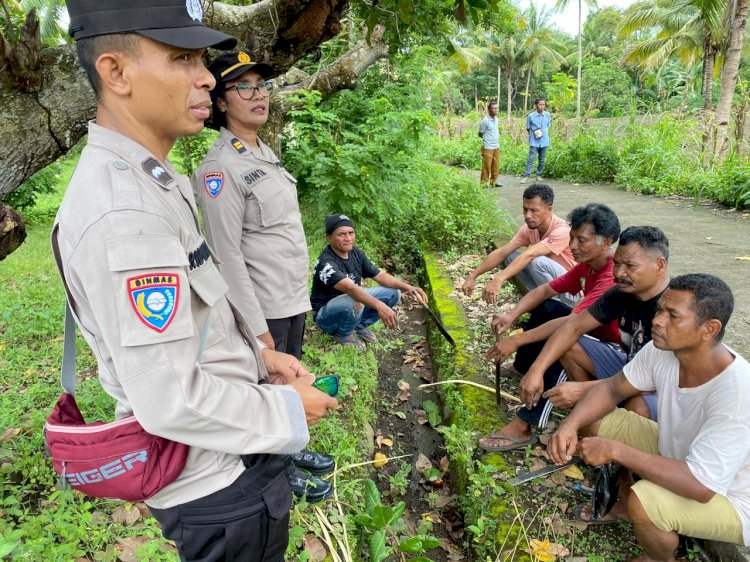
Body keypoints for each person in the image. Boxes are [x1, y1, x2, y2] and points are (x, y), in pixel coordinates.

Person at [55, 2, 337, 559]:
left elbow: (197, 323)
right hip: (216, 479)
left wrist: (262, 360)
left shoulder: (153, 178)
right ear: (116, 72)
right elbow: (169, 398)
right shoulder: (124, 212)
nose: (206, 76)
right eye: (182, 58)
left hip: (228, 447)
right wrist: (287, 410)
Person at [192, 52, 334, 502]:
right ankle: (272, 471)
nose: (260, 95)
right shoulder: (219, 170)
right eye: (245, 88)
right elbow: (225, 256)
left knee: (291, 387)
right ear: (219, 103)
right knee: (265, 391)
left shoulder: (265, 155)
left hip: (289, 299)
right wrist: (253, 328)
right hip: (262, 310)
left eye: (263, 86)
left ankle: (289, 453)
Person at [549, 274, 750, 561]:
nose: (657, 321)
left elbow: (702, 486)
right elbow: (611, 387)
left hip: (731, 496)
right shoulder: (662, 350)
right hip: (679, 454)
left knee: (645, 501)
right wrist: (569, 425)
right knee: (593, 420)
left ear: (709, 329)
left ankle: (659, 557)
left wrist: (615, 450)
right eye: (659, 310)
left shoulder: (737, 393)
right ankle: (623, 503)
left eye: (673, 315)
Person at [479, 203, 621, 451]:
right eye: (572, 238)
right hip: (590, 334)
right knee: (548, 308)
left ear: (606, 241)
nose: (573, 246)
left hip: (613, 349)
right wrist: (511, 315)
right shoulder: (588, 266)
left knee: (564, 341)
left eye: (582, 240)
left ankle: (527, 422)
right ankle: (524, 369)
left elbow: (573, 325)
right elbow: (546, 290)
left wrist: (517, 341)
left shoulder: (610, 276)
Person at [518, 226, 670, 428]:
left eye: (630, 266)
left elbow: (657, 381)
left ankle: (610, 440)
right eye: (616, 264)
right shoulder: (620, 293)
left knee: (637, 407)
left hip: (662, 387)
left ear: (659, 265)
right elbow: (572, 327)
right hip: (629, 367)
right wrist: (536, 370)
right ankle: (591, 420)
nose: (619, 273)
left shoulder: (675, 308)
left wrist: (583, 389)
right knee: (568, 344)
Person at [311, 214, 428, 349]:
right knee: (356, 298)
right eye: (341, 234)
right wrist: (380, 306)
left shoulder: (355, 253)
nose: (348, 238)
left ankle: (358, 325)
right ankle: (344, 333)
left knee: (393, 293)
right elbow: (351, 289)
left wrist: (408, 287)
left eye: (351, 233)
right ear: (329, 238)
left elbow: (379, 276)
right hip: (326, 316)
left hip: (351, 304)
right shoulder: (326, 263)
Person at [461, 184, 576, 305]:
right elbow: (502, 252)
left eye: (534, 210)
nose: (527, 216)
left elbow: (530, 254)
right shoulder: (529, 228)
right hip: (550, 283)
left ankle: (556, 305)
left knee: (537, 261)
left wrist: (499, 279)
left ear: (549, 209)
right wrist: (472, 276)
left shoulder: (562, 230)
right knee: (511, 256)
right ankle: (539, 300)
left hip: (571, 289)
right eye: (525, 209)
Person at [521, 98, 551, 184]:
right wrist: (535, 133)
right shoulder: (531, 116)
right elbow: (528, 127)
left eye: (543, 104)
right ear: (536, 105)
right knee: (531, 159)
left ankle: (539, 175)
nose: (542, 106)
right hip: (534, 141)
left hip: (544, 141)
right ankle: (527, 176)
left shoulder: (547, 115)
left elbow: (548, 126)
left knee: (542, 159)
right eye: (540, 104)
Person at [478, 101, 501, 188]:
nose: (495, 110)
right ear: (489, 110)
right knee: (486, 166)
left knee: (495, 165)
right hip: (488, 147)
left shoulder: (497, 120)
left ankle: (493, 182)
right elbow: (480, 134)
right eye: (493, 108)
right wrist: (487, 140)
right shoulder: (484, 121)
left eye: (496, 108)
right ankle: (483, 184)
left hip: (496, 146)